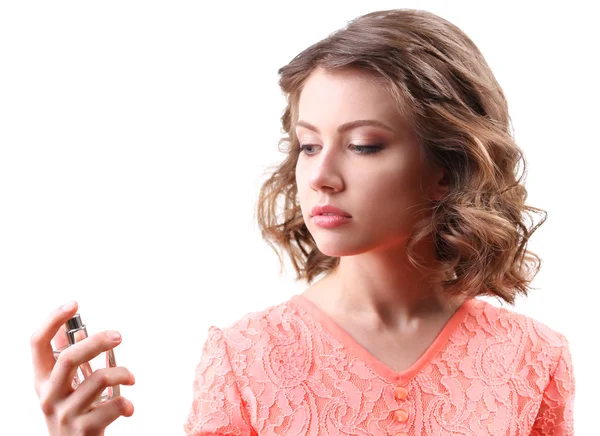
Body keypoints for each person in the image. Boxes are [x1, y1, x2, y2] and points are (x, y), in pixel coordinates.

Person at [30, 8, 575, 436]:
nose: (321, 175)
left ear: (447, 166)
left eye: (363, 145)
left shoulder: (533, 358)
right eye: (308, 145)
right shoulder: (245, 357)